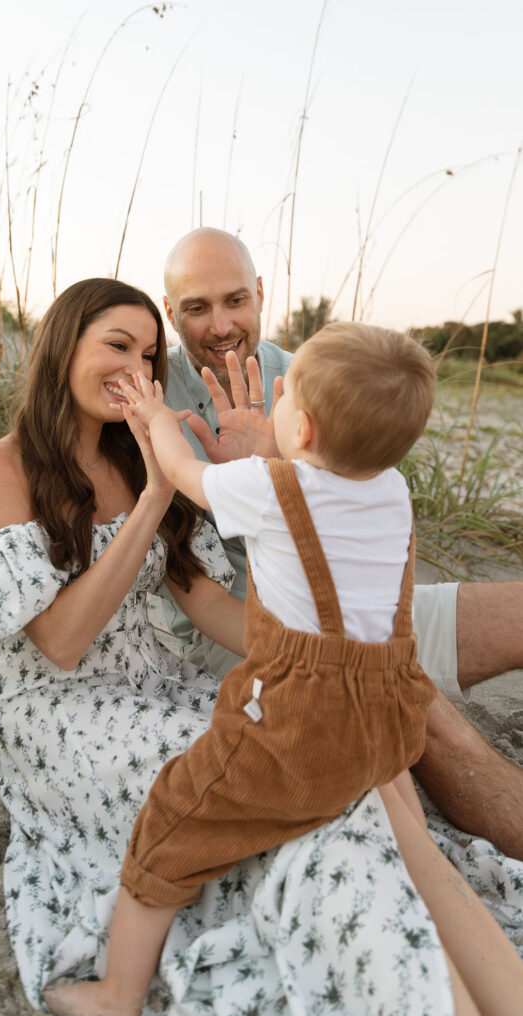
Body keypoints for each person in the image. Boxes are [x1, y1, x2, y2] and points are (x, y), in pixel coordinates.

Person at [0, 279, 489, 1016]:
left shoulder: (147, 459)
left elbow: (215, 609)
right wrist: (151, 499)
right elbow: (61, 643)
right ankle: (426, 986)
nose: (137, 371)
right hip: (58, 712)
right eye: (116, 347)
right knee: (313, 798)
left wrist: (275, 505)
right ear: (61, 345)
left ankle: (442, 972)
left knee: (342, 777)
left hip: (162, 687)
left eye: (148, 354)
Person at [157, 226, 523, 860]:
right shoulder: (151, 399)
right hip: (247, 640)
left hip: (359, 611)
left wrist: (273, 464)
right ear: (171, 312)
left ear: (261, 294)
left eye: (235, 300)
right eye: (196, 307)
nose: (220, 324)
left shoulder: (308, 376)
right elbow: (179, 572)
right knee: (434, 725)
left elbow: (375, 520)